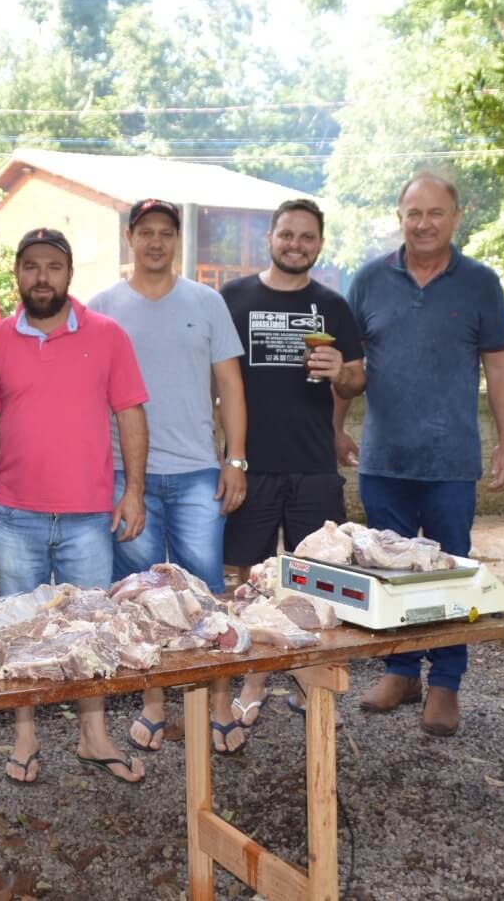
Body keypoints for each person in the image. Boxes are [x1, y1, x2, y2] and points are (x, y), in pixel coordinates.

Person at [340, 172, 504, 737]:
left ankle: (445, 682)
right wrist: (336, 430)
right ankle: (399, 671)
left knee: (450, 574)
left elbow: (501, 368)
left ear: (456, 217)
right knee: (387, 574)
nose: (423, 223)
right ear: (399, 216)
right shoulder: (368, 281)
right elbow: (346, 367)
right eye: (413, 213)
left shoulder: (481, 283)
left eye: (435, 213)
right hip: (383, 460)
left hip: (450, 462)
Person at [0, 227, 150, 785]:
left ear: (69, 274)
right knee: (19, 630)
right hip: (15, 513)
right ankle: (24, 737)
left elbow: (130, 415)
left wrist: (134, 491)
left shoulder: (108, 335)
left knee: (90, 630)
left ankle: (92, 736)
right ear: (18, 275)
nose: (41, 277)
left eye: (53, 266)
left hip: (86, 516)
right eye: (31, 266)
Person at [87, 198, 249, 755]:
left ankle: (220, 702)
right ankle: (153, 703)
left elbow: (231, 386)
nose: (155, 242)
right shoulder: (103, 306)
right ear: (130, 237)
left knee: (207, 592)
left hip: (198, 471)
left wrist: (235, 460)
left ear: (177, 240)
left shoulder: (206, 302)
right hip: (125, 476)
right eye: (145, 232)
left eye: (166, 233)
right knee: (140, 597)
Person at [219, 199, 364, 727]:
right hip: (251, 465)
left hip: (313, 466)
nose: (296, 244)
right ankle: (254, 674)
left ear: (319, 245)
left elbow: (356, 379)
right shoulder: (233, 297)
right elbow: (217, 379)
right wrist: (225, 452)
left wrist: (338, 373)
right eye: (287, 235)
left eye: (307, 237)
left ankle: (308, 683)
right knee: (247, 579)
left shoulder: (333, 305)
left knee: (317, 581)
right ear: (271, 238)